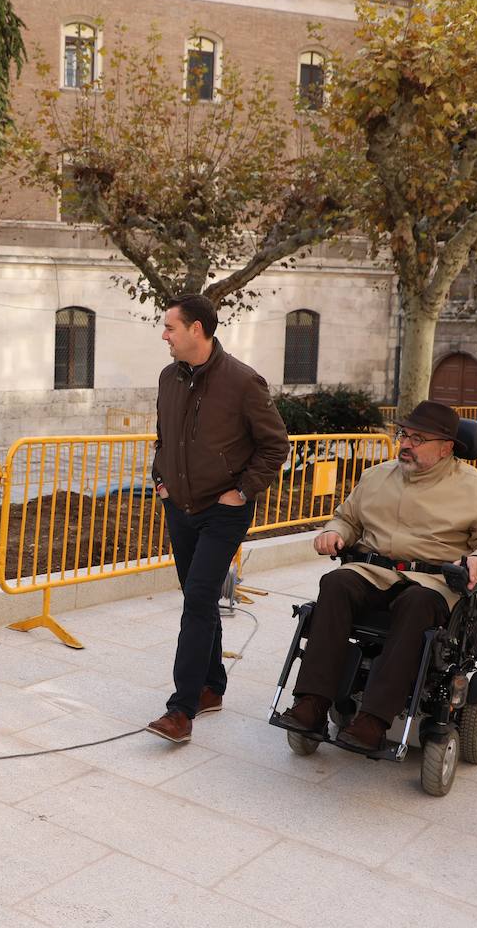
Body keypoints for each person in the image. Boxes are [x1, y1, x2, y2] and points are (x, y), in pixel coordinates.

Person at [279, 401, 477, 751]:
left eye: (418, 438)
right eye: (404, 434)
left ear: (446, 447)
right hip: (373, 570)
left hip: (432, 580)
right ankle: (311, 703)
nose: (406, 443)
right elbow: (347, 518)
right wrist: (335, 532)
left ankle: (373, 720)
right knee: (335, 583)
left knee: (417, 604)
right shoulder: (377, 476)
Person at [145, 293, 289, 743]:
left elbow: (275, 446)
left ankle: (181, 709)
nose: (164, 335)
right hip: (179, 507)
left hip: (222, 512)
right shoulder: (169, 377)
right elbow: (163, 437)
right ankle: (213, 687)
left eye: (170, 327)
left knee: (197, 600)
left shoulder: (243, 382)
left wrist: (242, 491)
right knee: (199, 596)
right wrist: (160, 479)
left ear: (197, 330)